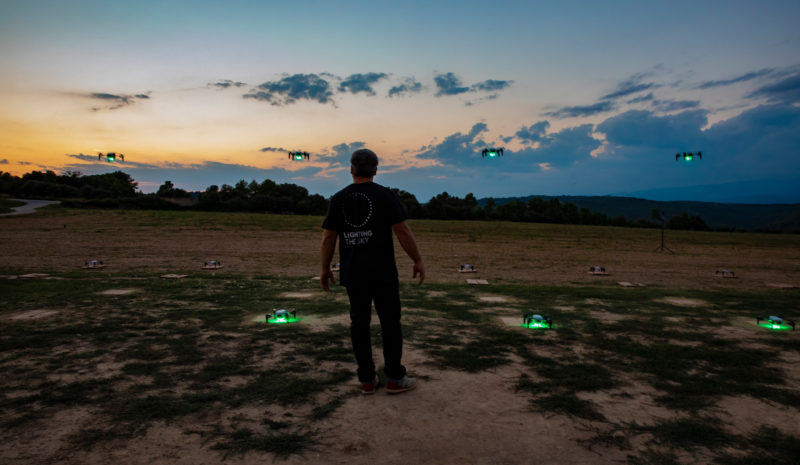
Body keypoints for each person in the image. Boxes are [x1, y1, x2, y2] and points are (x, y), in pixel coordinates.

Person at [320, 148, 425, 395]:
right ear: (376, 170)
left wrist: (325, 268)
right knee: (391, 323)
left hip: (354, 272)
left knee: (359, 323)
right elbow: (403, 231)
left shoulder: (338, 198)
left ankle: (367, 379)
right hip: (383, 271)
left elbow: (328, 237)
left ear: (351, 169)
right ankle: (394, 378)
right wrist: (417, 259)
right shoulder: (386, 196)